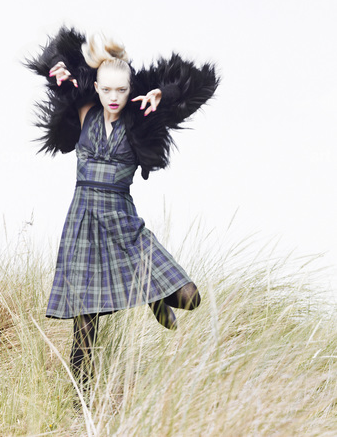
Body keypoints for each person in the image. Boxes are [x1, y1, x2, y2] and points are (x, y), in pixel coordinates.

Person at [26, 25, 219, 386]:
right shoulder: (84, 109)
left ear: (132, 88)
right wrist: (57, 69)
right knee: (84, 326)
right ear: (96, 87)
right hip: (83, 220)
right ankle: (80, 402)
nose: (113, 97)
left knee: (189, 298)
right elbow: (55, 55)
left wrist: (165, 93)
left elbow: (202, 82)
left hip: (123, 221)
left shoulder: (142, 116)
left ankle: (152, 295)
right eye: (107, 89)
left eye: (121, 89)